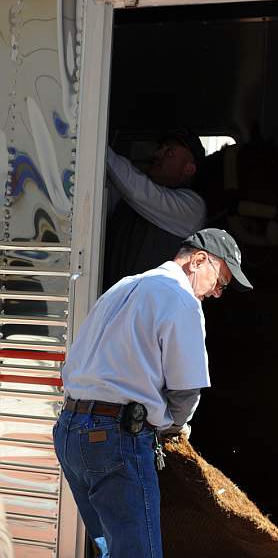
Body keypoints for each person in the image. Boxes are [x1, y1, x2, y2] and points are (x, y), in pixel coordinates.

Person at [54, 228, 252, 558]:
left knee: (110, 550)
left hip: (69, 433)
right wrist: (175, 426)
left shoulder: (124, 286)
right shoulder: (181, 298)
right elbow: (186, 389)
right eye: (221, 281)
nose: (218, 293)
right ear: (198, 260)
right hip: (114, 439)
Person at [104, 129, 207, 288]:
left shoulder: (192, 207)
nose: (158, 154)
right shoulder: (127, 196)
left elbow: (139, 192)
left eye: (169, 151)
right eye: (161, 148)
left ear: (189, 169)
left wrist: (98, 146)